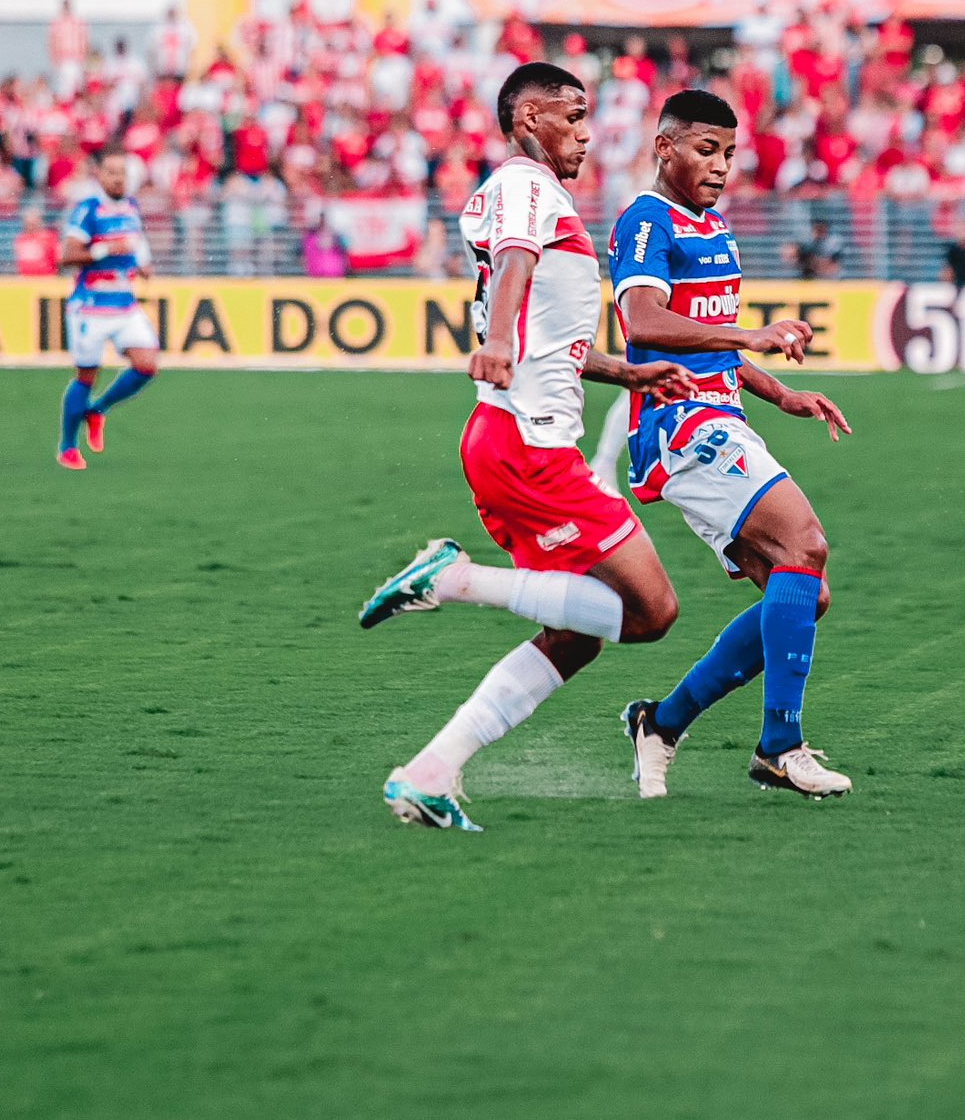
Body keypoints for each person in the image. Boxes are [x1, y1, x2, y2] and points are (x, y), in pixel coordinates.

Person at [358, 62, 696, 833]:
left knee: (578, 636)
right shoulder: (527, 186)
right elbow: (513, 268)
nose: (585, 132)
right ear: (528, 119)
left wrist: (626, 371)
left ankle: (430, 772)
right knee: (651, 611)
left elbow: (555, 336)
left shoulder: (535, 193)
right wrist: (501, 343)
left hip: (513, 439)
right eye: (572, 116)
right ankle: (455, 579)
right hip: (528, 447)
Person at [611, 89, 856, 801]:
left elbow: (710, 340)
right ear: (665, 148)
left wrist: (780, 393)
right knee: (805, 544)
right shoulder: (647, 221)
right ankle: (779, 746)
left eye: (728, 153)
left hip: (720, 417)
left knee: (805, 594)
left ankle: (660, 722)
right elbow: (647, 321)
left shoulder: (714, 226)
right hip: (679, 424)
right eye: (704, 149)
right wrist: (749, 334)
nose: (720, 166)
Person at [54, 148, 160, 470]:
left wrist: (142, 263)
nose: (118, 178)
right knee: (86, 375)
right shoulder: (89, 210)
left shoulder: (131, 206)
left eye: (122, 173)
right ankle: (68, 446)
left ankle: (97, 410)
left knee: (147, 365)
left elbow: (136, 240)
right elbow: (67, 256)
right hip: (90, 305)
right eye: (111, 172)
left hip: (124, 302)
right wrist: (103, 249)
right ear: (99, 176)